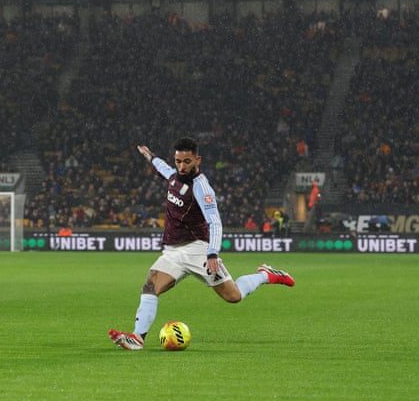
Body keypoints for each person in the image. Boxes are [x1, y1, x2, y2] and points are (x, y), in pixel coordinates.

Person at [109, 138, 295, 351]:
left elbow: (214, 221)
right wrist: (150, 156)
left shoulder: (202, 189)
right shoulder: (173, 176)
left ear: (198, 160)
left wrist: (212, 253)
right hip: (172, 252)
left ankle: (266, 274)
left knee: (233, 296)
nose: (181, 166)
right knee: (150, 287)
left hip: (198, 250)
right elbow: (163, 168)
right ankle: (137, 337)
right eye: (178, 161)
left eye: (187, 161)